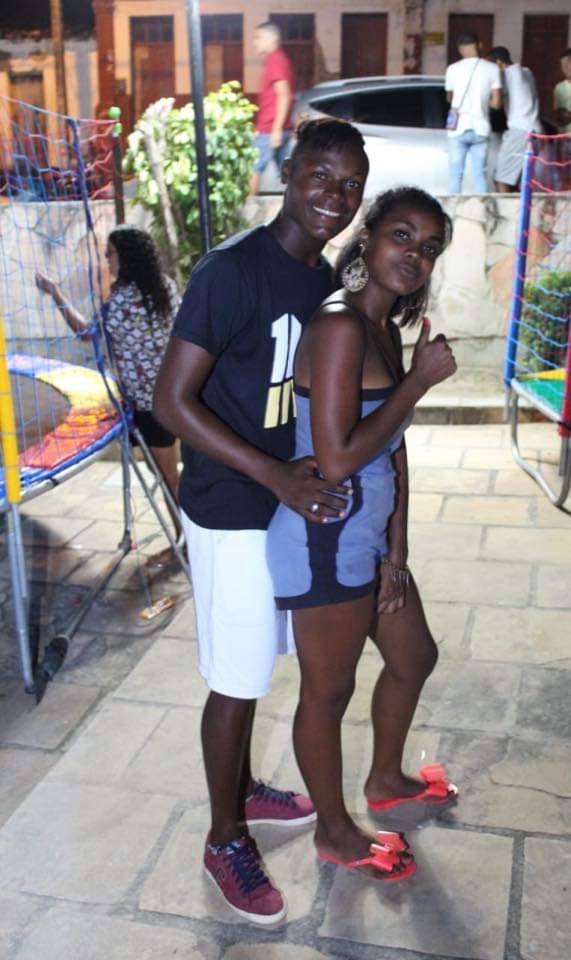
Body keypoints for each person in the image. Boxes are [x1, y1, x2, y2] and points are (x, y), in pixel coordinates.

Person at [152, 118, 369, 924]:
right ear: (288, 172)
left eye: (350, 184)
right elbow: (170, 401)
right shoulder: (230, 271)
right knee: (237, 677)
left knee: (260, 661)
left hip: (283, 502)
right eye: (320, 175)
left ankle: (241, 787)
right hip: (231, 504)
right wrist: (273, 473)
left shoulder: (321, 280)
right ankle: (224, 839)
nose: (334, 196)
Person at [266, 187, 459, 882]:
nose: (414, 255)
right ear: (368, 236)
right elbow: (339, 455)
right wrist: (417, 384)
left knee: (414, 656)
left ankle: (383, 780)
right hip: (323, 536)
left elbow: (392, 446)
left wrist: (396, 552)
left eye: (428, 247)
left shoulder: (382, 327)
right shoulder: (340, 325)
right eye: (402, 236)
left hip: (367, 536)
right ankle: (334, 831)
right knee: (328, 690)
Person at [35, 226, 181, 561]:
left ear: (127, 256)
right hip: (172, 395)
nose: (106, 261)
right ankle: (185, 538)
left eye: (110, 254)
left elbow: (86, 332)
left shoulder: (121, 301)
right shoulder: (165, 288)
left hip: (149, 405)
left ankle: (185, 543)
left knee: (169, 477)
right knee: (169, 474)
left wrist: (56, 294)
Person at [445, 31, 502, 193]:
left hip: (457, 128)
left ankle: (453, 208)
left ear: (460, 49)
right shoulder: (492, 69)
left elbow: (449, 98)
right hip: (481, 128)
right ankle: (482, 207)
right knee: (480, 175)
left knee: (456, 174)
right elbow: (497, 104)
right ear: (480, 45)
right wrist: (482, 101)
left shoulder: (452, 69)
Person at [249, 21, 295, 196]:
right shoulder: (277, 59)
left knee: (253, 169)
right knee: (289, 174)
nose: (255, 42)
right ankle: (298, 208)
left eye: (259, 37)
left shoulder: (275, 60)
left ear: (272, 38)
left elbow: (284, 95)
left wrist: (275, 129)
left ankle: (248, 207)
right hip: (277, 128)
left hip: (271, 129)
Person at [489, 46, 542, 192]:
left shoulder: (507, 76)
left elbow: (495, 102)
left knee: (500, 178)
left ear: (499, 63)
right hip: (535, 130)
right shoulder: (526, 72)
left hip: (520, 130)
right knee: (521, 181)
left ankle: (504, 207)